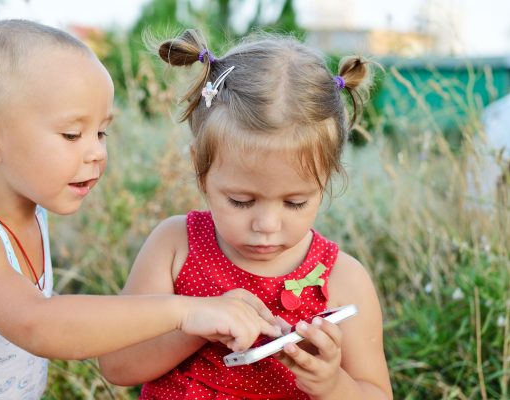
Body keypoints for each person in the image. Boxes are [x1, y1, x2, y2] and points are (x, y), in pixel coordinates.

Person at [0, 20, 284, 400]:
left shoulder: (30, 214)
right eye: (71, 134)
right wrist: (185, 310)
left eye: (101, 132)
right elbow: (38, 323)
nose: (96, 153)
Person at [98, 29, 393, 399]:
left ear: (326, 181)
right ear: (201, 170)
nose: (266, 226)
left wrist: (332, 384)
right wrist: (194, 325)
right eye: (241, 201)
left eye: (295, 203)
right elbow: (117, 365)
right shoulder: (175, 246)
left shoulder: (342, 280)